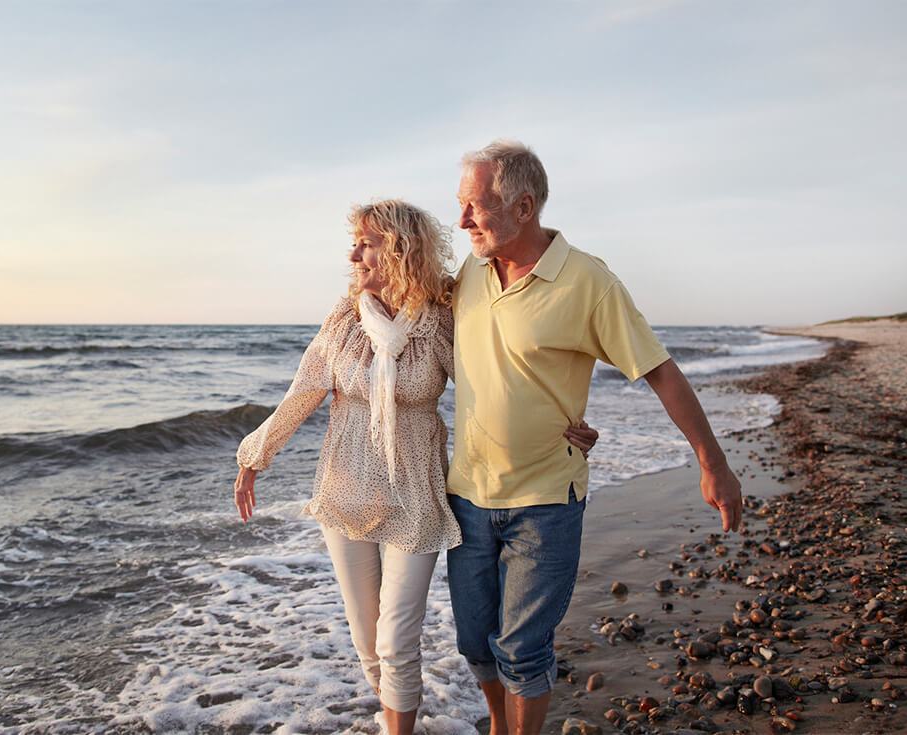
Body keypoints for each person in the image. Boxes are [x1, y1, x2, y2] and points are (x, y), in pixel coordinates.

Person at [233, 199, 598, 734]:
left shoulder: (439, 323)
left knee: (396, 638)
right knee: (367, 644)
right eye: (354, 242)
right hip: (345, 490)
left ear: (401, 249)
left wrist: (561, 423)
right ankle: (393, 720)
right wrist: (254, 457)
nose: (353, 253)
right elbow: (303, 390)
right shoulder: (343, 320)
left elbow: (494, 387)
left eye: (367, 242)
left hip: (416, 497)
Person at [447, 140, 744, 735]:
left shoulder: (588, 282)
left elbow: (658, 370)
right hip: (467, 497)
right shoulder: (469, 273)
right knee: (476, 644)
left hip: (545, 501)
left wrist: (714, 464)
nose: (462, 222)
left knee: (523, 649)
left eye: (474, 207)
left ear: (524, 205)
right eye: (460, 206)